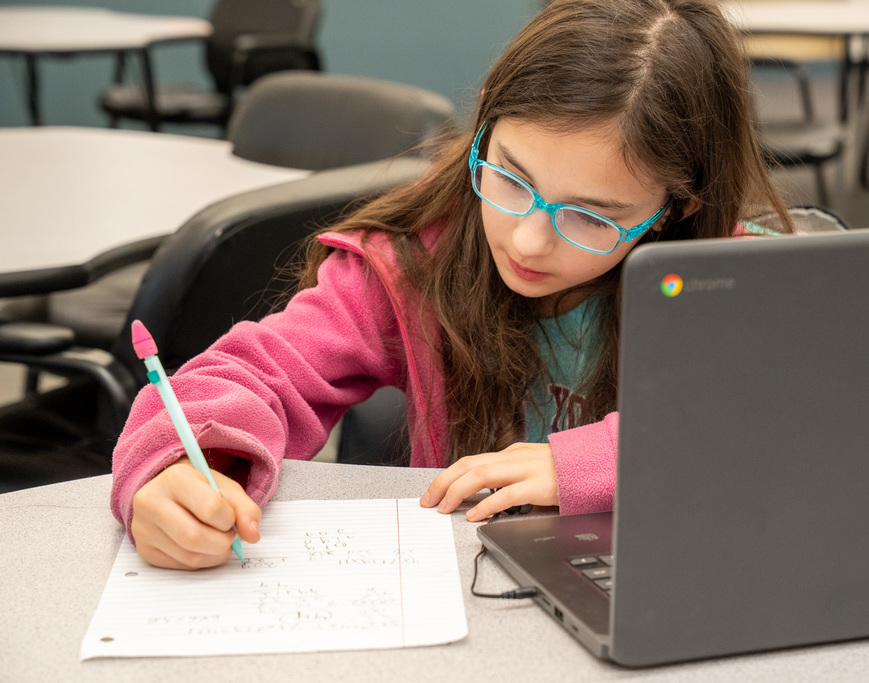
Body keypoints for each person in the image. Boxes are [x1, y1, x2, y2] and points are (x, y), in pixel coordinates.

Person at [112, 0, 794, 570]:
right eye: (511, 177)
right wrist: (178, 466)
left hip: (666, 582)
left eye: (591, 217)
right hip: (476, 597)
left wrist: (598, 462)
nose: (527, 239)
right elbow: (256, 373)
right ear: (485, 130)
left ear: (677, 209)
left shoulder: (732, 284)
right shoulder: (413, 264)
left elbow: (790, 420)